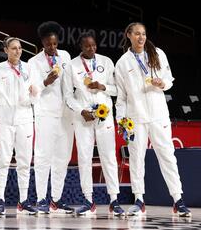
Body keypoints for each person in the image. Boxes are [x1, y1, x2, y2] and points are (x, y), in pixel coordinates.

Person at [115, 22, 191, 217]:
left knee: (167, 156)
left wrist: (162, 83)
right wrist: (121, 120)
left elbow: (169, 79)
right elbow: (121, 97)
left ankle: (178, 199)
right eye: (137, 34)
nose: (141, 37)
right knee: (136, 158)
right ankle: (139, 200)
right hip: (135, 118)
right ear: (129, 35)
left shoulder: (157, 53)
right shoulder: (123, 63)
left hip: (158, 115)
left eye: (144, 34)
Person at [62, 33, 124, 216]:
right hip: (83, 117)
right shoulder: (72, 66)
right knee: (84, 158)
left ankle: (114, 200)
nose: (91, 49)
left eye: (94, 45)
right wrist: (81, 110)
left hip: (104, 114)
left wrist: (102, 86)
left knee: (108, 157)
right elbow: (67, 95)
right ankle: (89, 201)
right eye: (87, 46)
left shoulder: (106, 61)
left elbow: (116, 90)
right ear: (80, 47)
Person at [28, 21, 75, 215]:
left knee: (62, 158)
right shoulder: (34, 62)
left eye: (55, 44)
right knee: (42, 157)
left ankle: (56, 199)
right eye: (49, 44)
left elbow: (70, 83)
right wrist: (46, 81)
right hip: (45, 112)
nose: (53, 48)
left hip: (65, 114)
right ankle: (41, 199)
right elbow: (32, 89)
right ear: (42, 43)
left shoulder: (65, 56)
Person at [0, 37, 38, 215]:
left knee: (24, 161)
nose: (17, 51)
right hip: (4, 119)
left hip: (25, 118)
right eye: (13, 48)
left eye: (19, 48)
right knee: (2, 160)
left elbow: (35, 92)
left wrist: (33, 96)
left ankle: (23, 200)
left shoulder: (29, 68)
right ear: (6, 50)